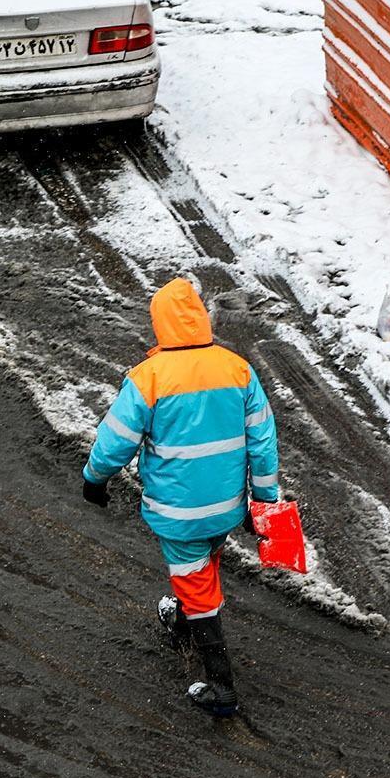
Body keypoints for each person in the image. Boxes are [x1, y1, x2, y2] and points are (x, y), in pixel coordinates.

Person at [81, 277, 280, 717]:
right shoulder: (238, 369)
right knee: (204, 565)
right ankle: (185, 618)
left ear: (161, 325)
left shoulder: (149, 378)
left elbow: (115, 442)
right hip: (226, 508)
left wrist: (95, 479)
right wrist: (262, 504)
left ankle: (221, 686)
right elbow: (263, 444)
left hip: (178, 512)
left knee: (196, 584)